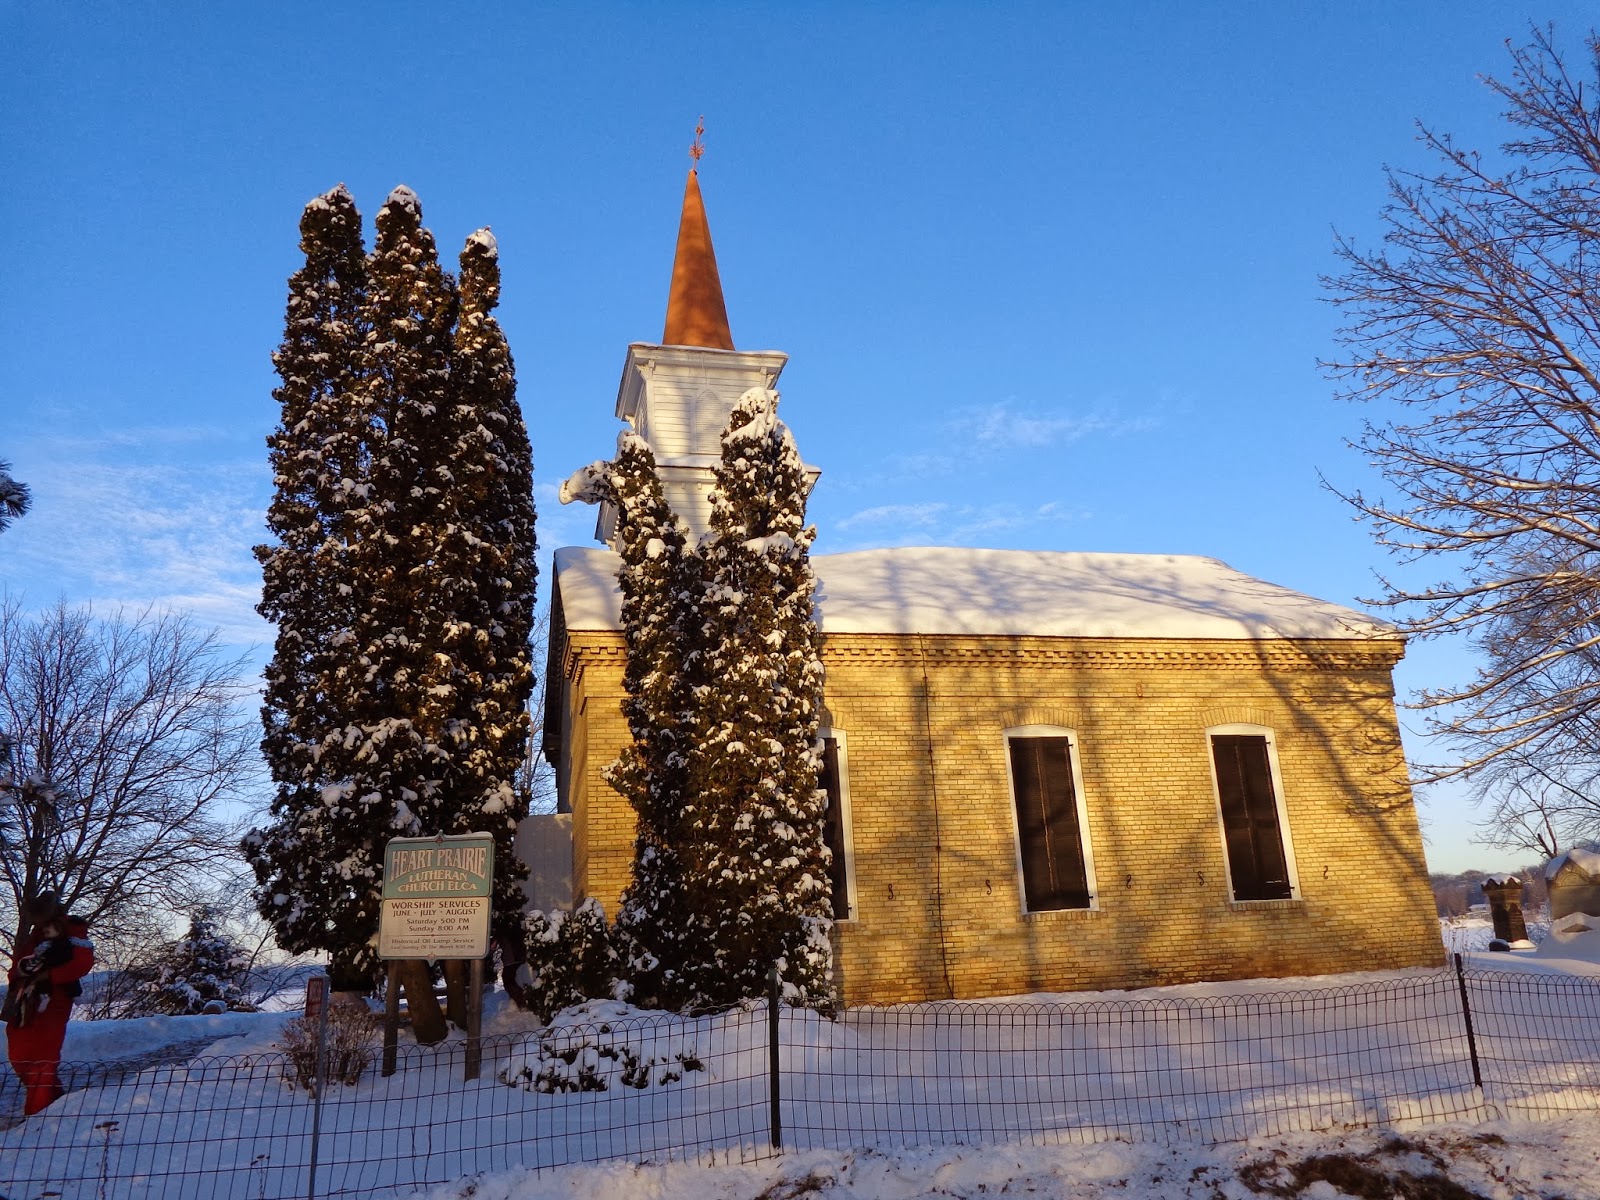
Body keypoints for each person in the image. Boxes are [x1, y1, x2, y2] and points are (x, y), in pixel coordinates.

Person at [4, 893, 94, 1115]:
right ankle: (54, 1101)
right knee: (20, 1051)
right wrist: (18, 978)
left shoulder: (72, 929)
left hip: (56, 998)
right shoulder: (35, 936)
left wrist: (49, 976)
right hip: (27, 998)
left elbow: (82, 963)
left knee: (43, 1055)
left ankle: (37, 1110)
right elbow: (18, 964)